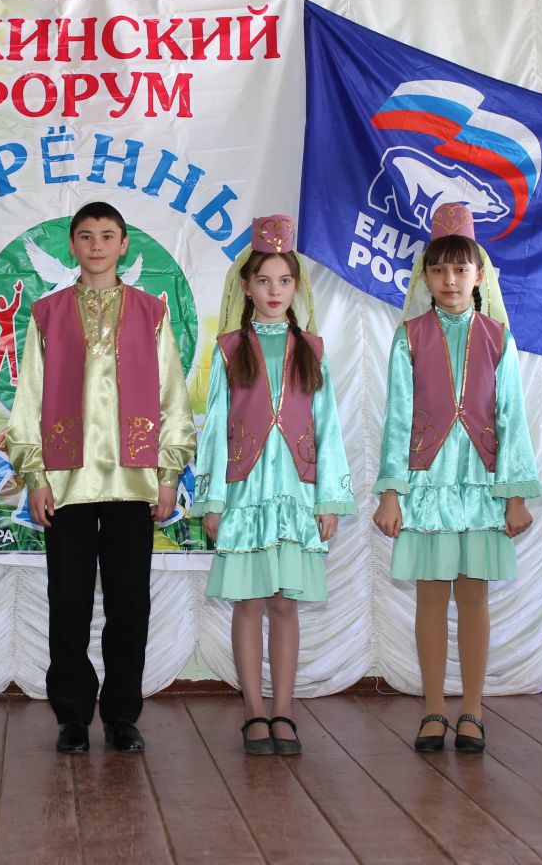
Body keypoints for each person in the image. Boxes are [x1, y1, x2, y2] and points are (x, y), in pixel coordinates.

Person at [6, 201, 196, 753]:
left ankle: (120, 714)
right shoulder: (47, 313)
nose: (95, 245)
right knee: (67, 600)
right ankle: (70, 715)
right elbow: (29, 402)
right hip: (66, 483)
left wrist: (167, 474)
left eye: (106, 235)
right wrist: (35, 475)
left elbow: (172, 398)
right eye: (85, 235)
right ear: (71, 244)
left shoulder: (150, 313)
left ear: (124, 244)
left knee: (129, 602)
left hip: (133, 482)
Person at [372, 203, 539, 754]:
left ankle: (471, 708)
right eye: (438, 270)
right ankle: (433, 709)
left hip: (482, 482)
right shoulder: (409, 337)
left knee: (473, 596)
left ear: (478, 275)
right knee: (430, 595)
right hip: (427, 483)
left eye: (460, 269)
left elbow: (512, 417)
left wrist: (514, 495)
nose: (449, 281)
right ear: (425, 276)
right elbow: (398, 416)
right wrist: (392, 492)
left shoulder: (498, 336)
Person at [193, 214, 353, 755]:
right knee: (249, 601)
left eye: (284, 280)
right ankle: (253, 711)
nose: (274, 290)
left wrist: (328, 496)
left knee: (285, 603)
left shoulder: (313, 347)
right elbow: (216, 425)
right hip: (244, 493)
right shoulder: (229, 349)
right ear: (246, 286)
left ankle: (284, 710)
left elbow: (328, 427)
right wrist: (213, 497)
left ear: (296, 287)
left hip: (296, 494)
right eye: (263, 280)